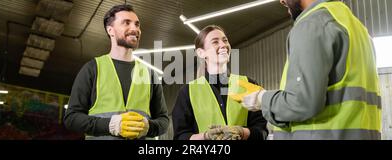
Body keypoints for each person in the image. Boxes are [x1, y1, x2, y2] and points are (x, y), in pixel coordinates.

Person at [231, 0, 381, 140]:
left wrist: (261, 99)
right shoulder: (355, 27)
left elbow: (301, 102)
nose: (282, 1)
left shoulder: (313, 24)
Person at [63, 4, 169, 140]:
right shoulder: (92, 69)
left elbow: (164, 121)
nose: (135, 29)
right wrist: (110, 125)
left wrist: (148, 127)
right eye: (127, 23)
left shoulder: (149, 74)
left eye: (137, 24)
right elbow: (71, 118)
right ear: (110, 30)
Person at [172, 25, 269, 140]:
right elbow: (180, 136)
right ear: (201, 53)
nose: (223, 45)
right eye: (215, 42)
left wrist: (242, 132)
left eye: (225, 40)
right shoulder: (187, 92)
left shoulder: (248, 84)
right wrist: (206, 136)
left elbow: (262, 131)